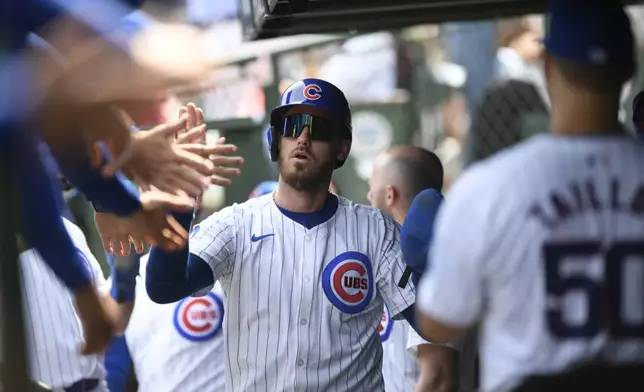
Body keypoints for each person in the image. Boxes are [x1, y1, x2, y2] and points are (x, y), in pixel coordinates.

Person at [414, 1, 644, 391]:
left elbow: (440, 322)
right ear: (629, 69)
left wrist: (428, 263)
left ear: (549, 66)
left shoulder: (491, 187)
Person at [145, 78, 423, 391]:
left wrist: (435, 263)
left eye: (318, 129)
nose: (303, 138)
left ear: (342, 147)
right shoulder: (235, 225)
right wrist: (179, 201)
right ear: (275, 140)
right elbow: (164, 287)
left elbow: (431, 322)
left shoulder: (376, 231)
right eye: (292, 125)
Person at [103, 104, 243, 392]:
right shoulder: (123, 281)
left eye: (183, 168)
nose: (173, 177)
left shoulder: (226, 257)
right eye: (164, 167)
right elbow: (112, 369)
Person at [369, 146, 475, 392]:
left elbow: (438, 378)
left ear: (389, 194)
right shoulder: (395, 257)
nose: (367, 194)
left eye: (371, 187)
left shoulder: (434, 262)